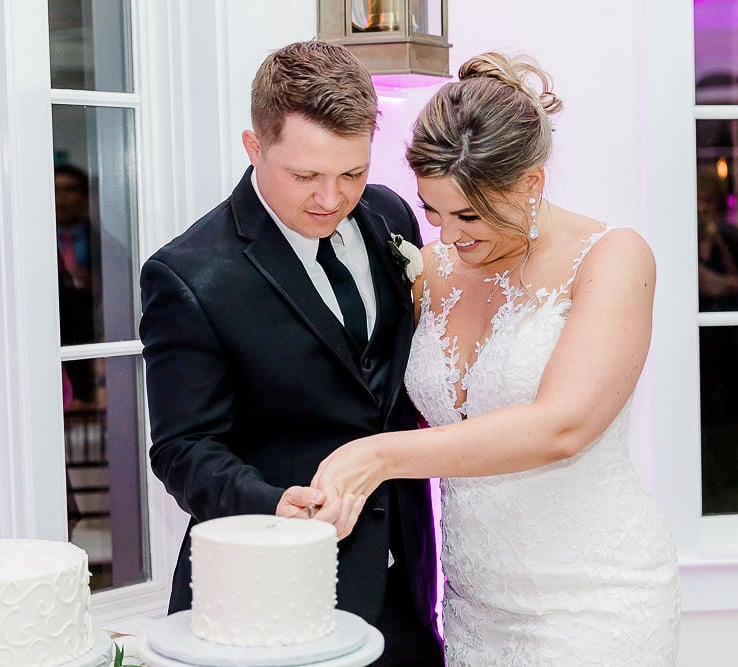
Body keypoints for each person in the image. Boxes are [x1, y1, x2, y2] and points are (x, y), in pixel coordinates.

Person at [312, 52, 681, 665]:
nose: (448, 236)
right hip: (473, 608)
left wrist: (378, 459)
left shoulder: (612, 258)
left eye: (469, 214)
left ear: (531, 182)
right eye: (431, 211)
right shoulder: (431, 271)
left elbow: (563, 426)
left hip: (593, 602)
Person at [139, 41, 443, 664]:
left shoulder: (391, 216)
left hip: (406, 585)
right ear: (254, 147)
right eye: (305, 176)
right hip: (270, 597)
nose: (331, 198)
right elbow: (181, 448)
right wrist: (272, 503)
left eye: (352, 173)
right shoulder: (189, 274)